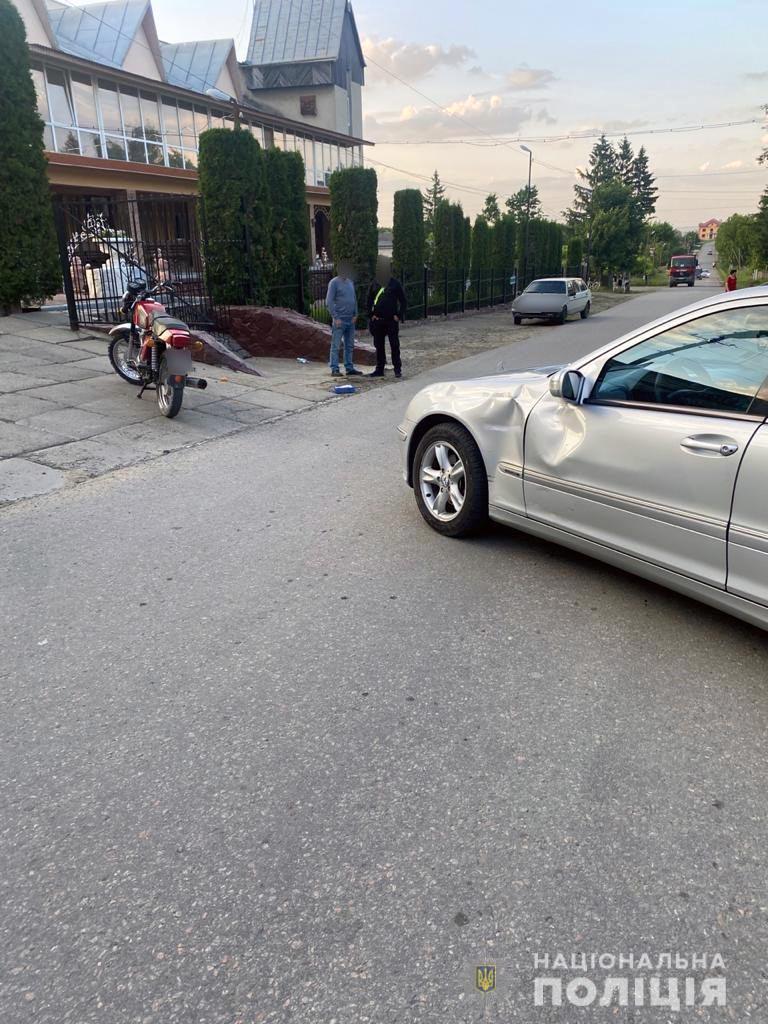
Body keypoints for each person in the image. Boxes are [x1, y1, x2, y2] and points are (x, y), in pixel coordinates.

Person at [366, 260, 407, 378]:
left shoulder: (395, 284)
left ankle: (397, 369)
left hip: (391, 320)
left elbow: (403, 301)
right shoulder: (375, 283)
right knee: (379, 346)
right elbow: (369, 300)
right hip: (378, 320)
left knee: (394, 345)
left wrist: (399, 315)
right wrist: (371, 315)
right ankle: (379, 369)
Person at [325, 262, 362, 377]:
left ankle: (349, 367)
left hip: (350, 320)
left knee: (349, 345)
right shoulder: (334, 283)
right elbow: (329, 301)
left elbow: (354, 299)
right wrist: (335, 317)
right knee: (336, 345)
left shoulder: (350, 282)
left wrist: (355, 314)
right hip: (339, 320)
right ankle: (334, 368)